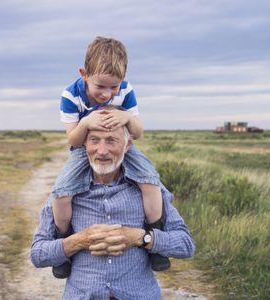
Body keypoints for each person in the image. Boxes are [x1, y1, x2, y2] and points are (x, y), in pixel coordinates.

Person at [31, 124, 195, 299]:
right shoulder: (64, 192)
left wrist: (140, 237)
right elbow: (38, 254)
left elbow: (186, 245)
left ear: (127, 144)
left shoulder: (150, 188)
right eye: (94, 140)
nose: (102, 151)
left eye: (111, 141)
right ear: (84, 144)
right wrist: (78, 241)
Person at [51, 36, 169, 278]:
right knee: (62, 192)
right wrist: (86, 123)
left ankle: (155, 238)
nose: (107, 94)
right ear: (84, 73)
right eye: (100, 87)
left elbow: (137, 133)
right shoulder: (71, 95)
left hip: (123, 145)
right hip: (84, 148)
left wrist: (127, 118)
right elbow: (72, 139)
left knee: (150, 181)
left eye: (113, 87)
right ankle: (63, 245)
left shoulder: (126, 90)